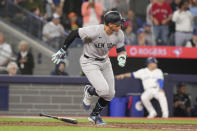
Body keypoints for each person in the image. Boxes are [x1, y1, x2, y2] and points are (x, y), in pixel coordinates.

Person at [51, 11, 127, 125]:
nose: (120, 25)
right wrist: (63, 49)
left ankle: (94, 115)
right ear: (110, 24)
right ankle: (89, 91)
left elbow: (121, 50)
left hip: (105, 62)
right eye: (118, 23)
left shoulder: (119, 34)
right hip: (89, 61)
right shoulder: (95, 30)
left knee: (110, 94)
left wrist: (122, 57)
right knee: (103, 90)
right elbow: (74, 33)